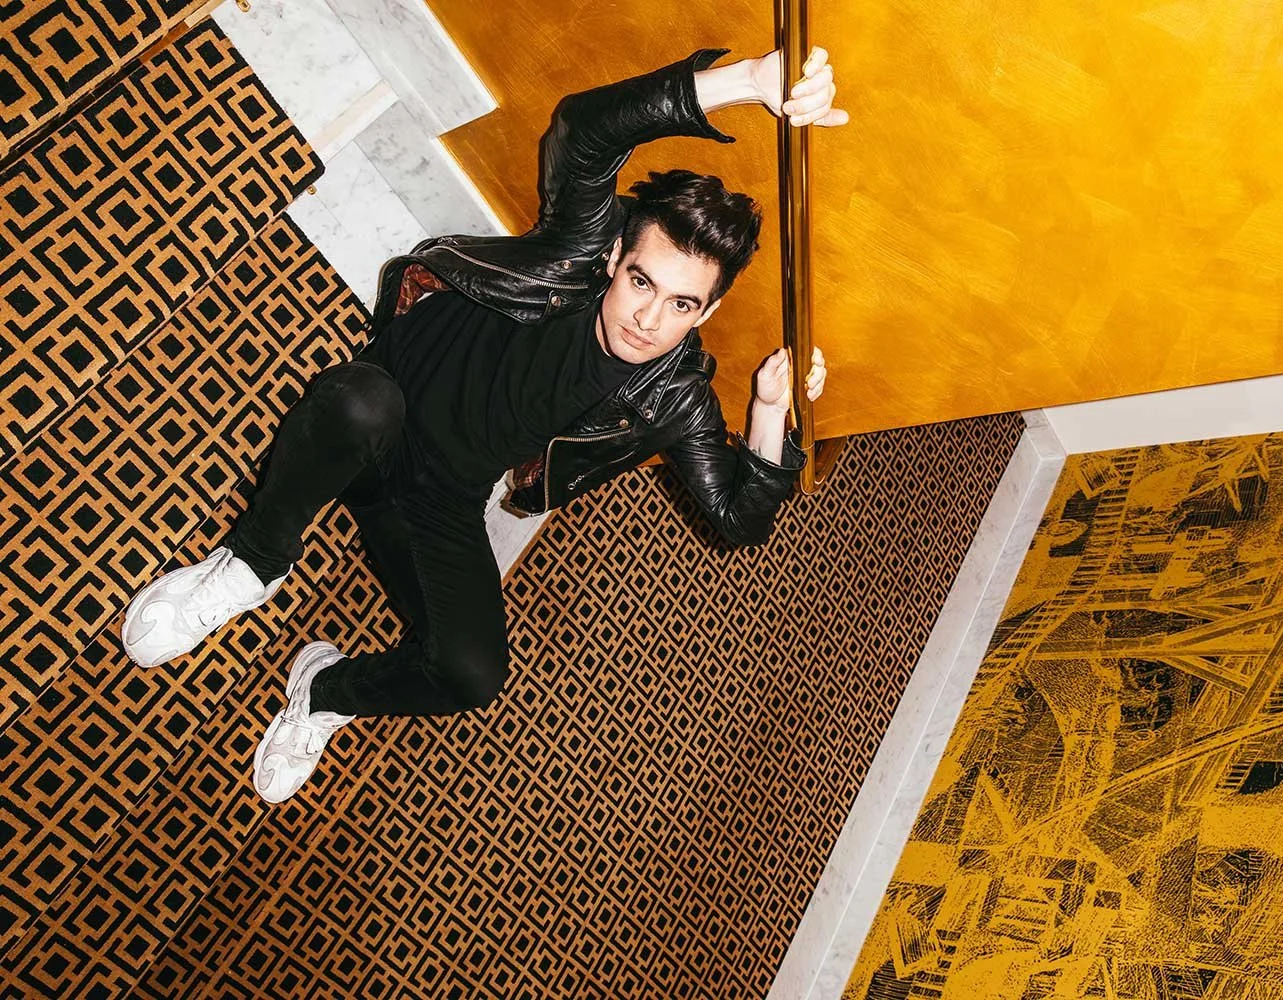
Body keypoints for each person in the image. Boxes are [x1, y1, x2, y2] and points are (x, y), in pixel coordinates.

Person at [120, 45, 847, 803]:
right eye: (641, 281)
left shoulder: (674, 396)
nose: (647, 319)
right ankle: (253, 561)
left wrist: (768, 413)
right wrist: (745, 84)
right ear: (613, 259)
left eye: (681, 306)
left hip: (440, 500)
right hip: (380, 413)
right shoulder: (576, 248)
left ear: (710, 312)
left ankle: (322, 691)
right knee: (357, 404)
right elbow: (585, 129)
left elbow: (737, 518)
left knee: (470, 672)